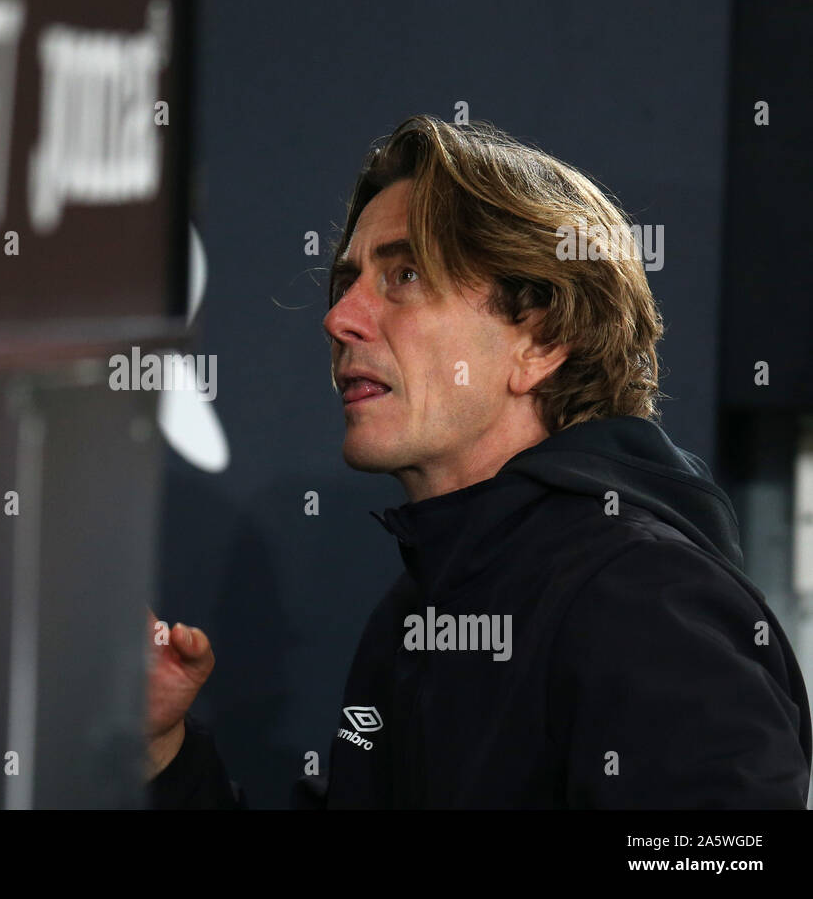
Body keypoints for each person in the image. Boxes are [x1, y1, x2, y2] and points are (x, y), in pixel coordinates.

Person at [145, 115, 812, 808]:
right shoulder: (426, 601)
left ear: (542, 340)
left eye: (403, 274)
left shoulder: (640, 597)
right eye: (347, 281)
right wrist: (164, 753)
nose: (339, 317)